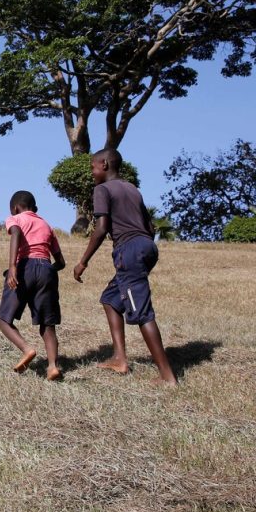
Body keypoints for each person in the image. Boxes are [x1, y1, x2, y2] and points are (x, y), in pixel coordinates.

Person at [73, 148, 178, 385]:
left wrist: (82, 262)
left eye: (93, 167)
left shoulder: (102, 189)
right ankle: (120, 358)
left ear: (105, 165)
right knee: (111, 299)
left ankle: (167, 376)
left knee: (141, 312)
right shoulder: (132, 189)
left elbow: (101, 228)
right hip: (147, 247)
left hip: (128, 250)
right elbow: (150, 227)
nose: (92, 172)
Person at [0, 190, 66, 380]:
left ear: (15, 208)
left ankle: (27, 349)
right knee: (47, 324)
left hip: (24, 267)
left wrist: (12, 267)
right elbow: (60, 262)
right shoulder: (47, 225)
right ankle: (52, 366)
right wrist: (46, 271)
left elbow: (16, 233)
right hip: (46, 268)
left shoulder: (15, 219)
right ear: (35, 208)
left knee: (3, 319)